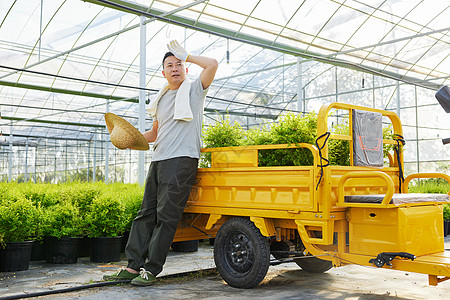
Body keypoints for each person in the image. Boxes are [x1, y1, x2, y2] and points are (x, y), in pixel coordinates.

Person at [103, 40, 218, 286]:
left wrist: (187, 54)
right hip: (159, 159)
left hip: (181, 161)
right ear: (163, 71)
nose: (175, 68)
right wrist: (130, 140)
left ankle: (152, 269)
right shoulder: (162, 98)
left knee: (166, 216)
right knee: (144, 214)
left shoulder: (194, 90)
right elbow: (155, 133)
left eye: (179, 64)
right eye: (169, 65)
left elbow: (212, 64)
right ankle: (133, 267)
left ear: (185, 68)